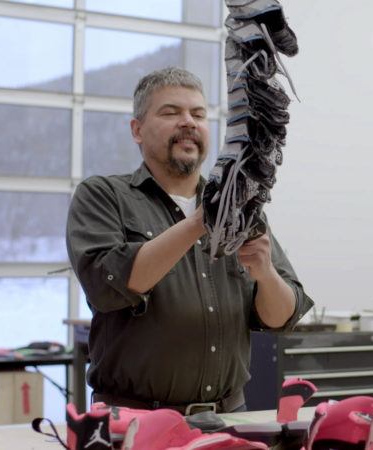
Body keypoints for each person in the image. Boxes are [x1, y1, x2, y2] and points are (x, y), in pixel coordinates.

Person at [66, 67, 313, 414]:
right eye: (171, 112)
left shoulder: (241, 206)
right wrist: (203, 218)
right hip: (137, 419)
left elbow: (281, 317)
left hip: (229, 417)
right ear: (137, 130)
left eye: (198, 114)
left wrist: (265, 273)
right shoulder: (104, 195)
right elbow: (110, 286)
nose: (188, 122)